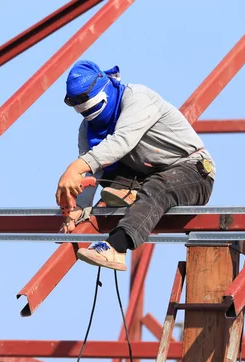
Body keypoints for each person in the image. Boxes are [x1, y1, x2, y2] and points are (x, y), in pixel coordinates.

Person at [55, 60, 216, 272]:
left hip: (192, 171)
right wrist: (77, 209)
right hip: (144, 175)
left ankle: (116, 247)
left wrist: (74, 168)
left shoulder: (137, 98)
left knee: (157, 188)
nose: (90, 117)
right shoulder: (88, 128)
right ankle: (125, 191)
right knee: (103, 165)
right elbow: (92, 168)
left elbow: (122, 141)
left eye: (93, 109)